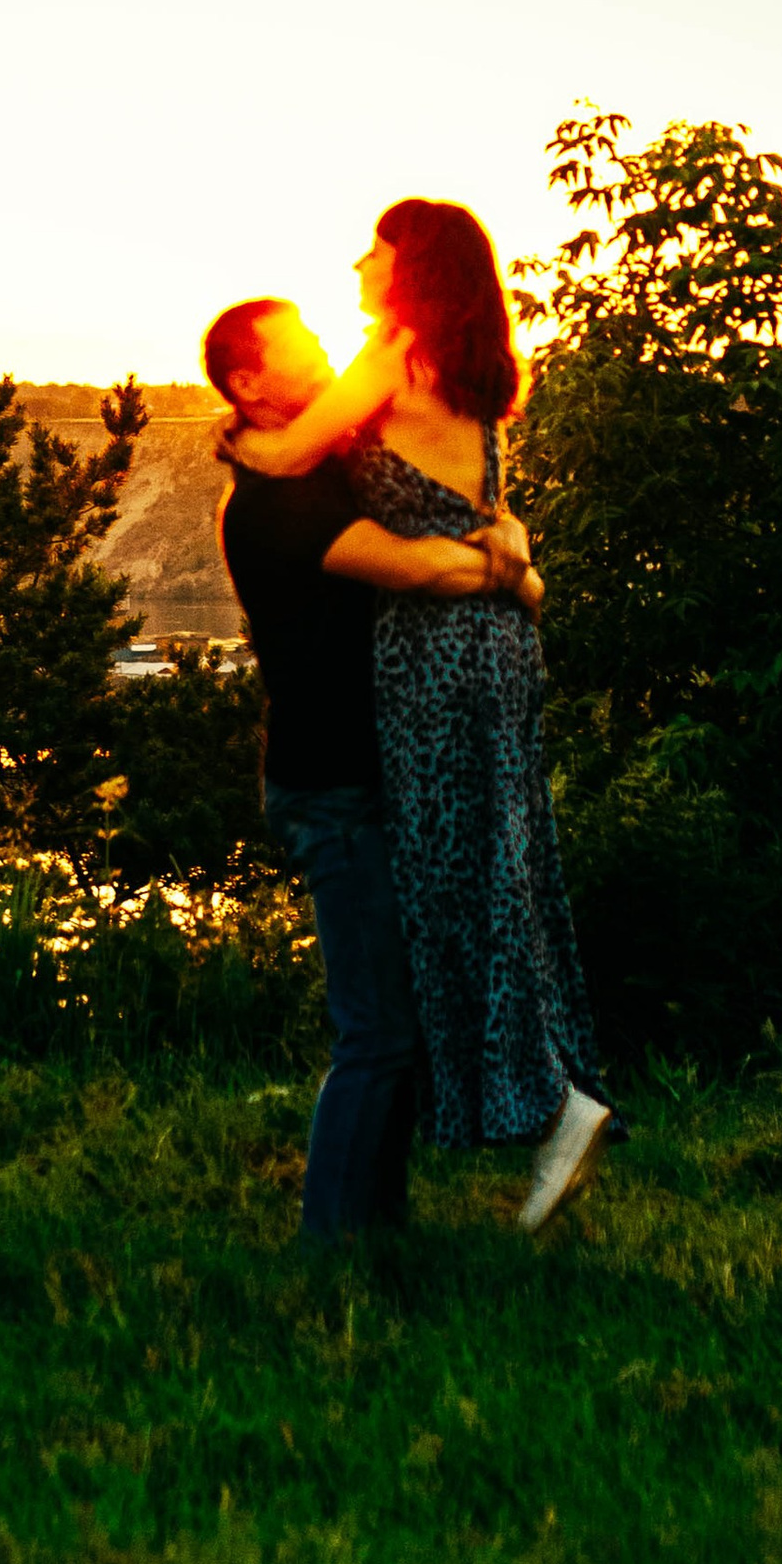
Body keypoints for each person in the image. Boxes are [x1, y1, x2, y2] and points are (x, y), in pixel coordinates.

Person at [226, 200, 613, 1234]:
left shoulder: (392, 351)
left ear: (413, 272)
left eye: (375, 248)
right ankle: (549, 1091)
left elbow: (282, 455)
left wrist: (234, 430)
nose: (356, 260)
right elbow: (486, 522)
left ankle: (549, 1103)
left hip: (438, 654)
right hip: (492, 647)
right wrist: (509, 559)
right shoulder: (473, 367)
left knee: (460, 890)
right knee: (503, 866)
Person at [205, 291, 540, 1248]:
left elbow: (447, 515)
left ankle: (377, 1232)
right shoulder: (274, 503)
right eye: (298, 345)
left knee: (403, 1028)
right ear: (249, 383)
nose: (322, 351)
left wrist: (500, 535)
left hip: (375, 779)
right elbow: (419, 568)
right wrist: (506, 564)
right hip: (331, 789)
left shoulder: (325, 470)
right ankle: (337, 1246)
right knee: (377, 1032)